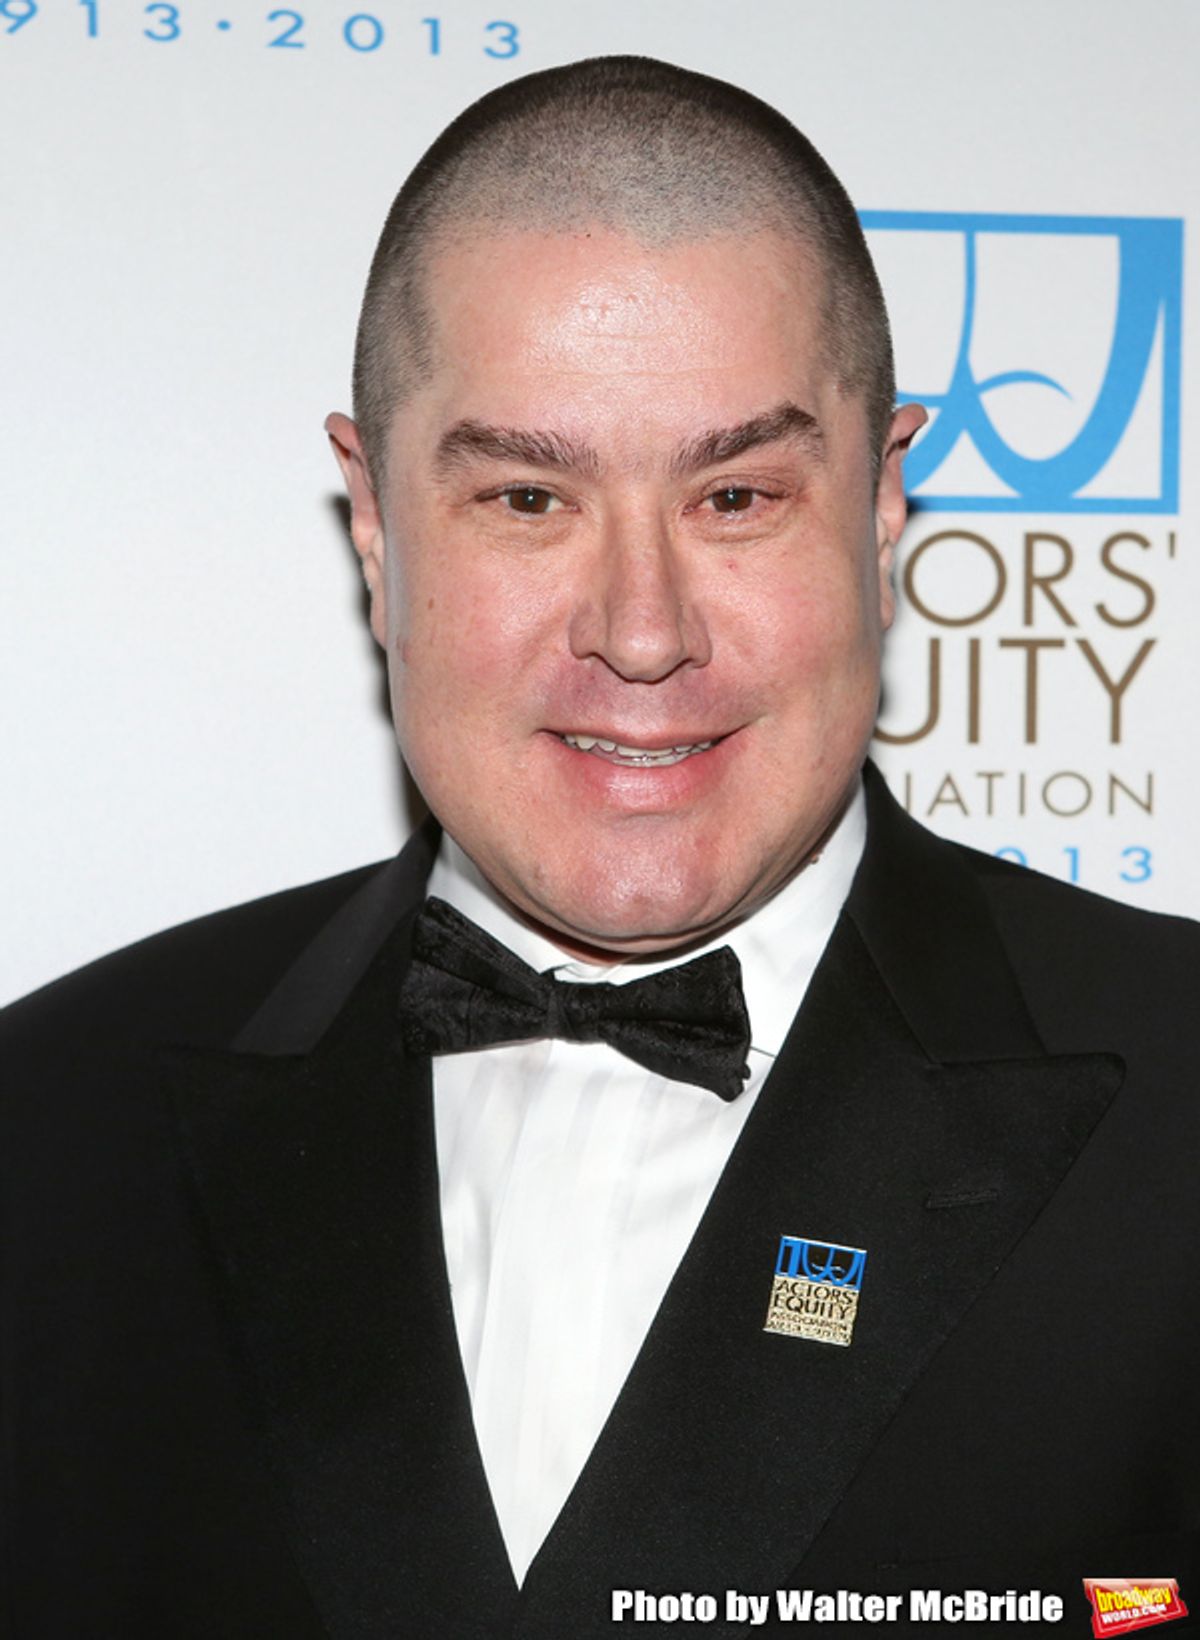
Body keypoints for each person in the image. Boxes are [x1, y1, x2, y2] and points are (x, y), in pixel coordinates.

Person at [2, 55, 1197, 1640]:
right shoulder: (44, 1137)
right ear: (373, 526)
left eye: (739, 494)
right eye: (525, 498)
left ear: (887, 503)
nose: (642, 633)